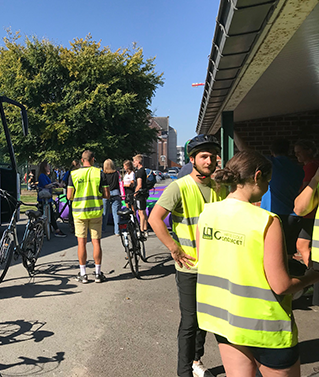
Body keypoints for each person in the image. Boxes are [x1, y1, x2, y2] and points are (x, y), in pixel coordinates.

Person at [196, 150, 319, 377]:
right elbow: (281, 285)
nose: (267, 187)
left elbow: (207, 262)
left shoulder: (207, 214)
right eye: (268, 182)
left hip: (224, 320)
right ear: (257, 176)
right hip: (265, 326)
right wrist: (312, 276)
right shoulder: (265, 221)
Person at [149, 134, 226, 377]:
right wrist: (173, 248)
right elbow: (154, 218)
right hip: (189, 267)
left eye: (213, 156)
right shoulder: (179, 186)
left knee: (206, 320)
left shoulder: (219, 187)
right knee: (190, 322)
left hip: (214, 266)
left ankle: (196, 361)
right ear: (192, 159)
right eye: (204, 156)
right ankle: (184, 372)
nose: (209, 160)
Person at [67, 150, 109, 283]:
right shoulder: (99, 173)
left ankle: (83, 274)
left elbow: (69, 196)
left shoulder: (73, 174)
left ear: (81, 160)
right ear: (93, 159)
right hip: (96, 212)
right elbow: (106, 194)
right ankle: (97, 273)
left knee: (81, 243)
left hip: (79, 213)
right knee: (96, 242)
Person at [260, 139, 304, 255]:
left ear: (271, 151)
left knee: (271, 252)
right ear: (289, 151)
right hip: (294, 215)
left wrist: (234, 133)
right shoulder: (298, 169)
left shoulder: (271, 163)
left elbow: (247, 151)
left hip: (274, 215)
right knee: (288, 253)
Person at [292, 140, 319, 266]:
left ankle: (311, 272)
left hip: (310, 211)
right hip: (312, 212)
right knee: (303, 244)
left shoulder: (311, 166)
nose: (297, 155)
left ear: (309, 151)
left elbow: (307, 188)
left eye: (299, 152)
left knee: (302, 244)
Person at [37, 161, 67, 238]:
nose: (49, 167)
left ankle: (46, 229)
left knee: (49, 214)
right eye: (48, 166)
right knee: (48, 214)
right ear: (44, 167)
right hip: (44, 198)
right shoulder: (42, 176)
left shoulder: (45, 176)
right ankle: (55, 230)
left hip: (48, 198)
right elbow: (46, 185)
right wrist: (55, 184)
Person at [102, 159, 121, 235]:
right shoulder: (116, 173)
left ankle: (103, 229)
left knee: (104, 212)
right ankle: (117, 231)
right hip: (115, 192)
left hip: (106, 193)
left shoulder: (103, 174)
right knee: (116, 213)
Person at [133, 154, 148, 236]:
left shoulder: (139, 172)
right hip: (144, 193)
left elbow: (139, 184)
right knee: (144, 211)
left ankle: (141, 229)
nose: (133, 163)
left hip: (140, 194)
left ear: (138, 161)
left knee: (140, 212)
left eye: (134, 161)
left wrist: (135, 193)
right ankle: (145, 229)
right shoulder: (143, 170)